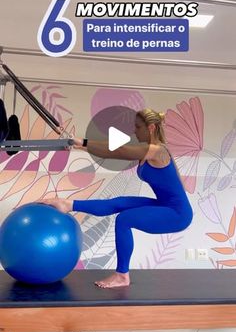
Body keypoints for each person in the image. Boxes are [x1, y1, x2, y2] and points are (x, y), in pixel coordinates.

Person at [39, 109, 193, 289]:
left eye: (138, 127)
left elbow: (119, 151)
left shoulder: (156, 151)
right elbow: (116, 147)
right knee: (120, 202)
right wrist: (81, 145)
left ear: (151, 128)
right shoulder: (152, 151)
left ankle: (122, 275)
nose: (135, 131)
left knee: (125, 219)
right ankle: (67, 204)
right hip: (165, 205)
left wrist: (82, 142)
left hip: (178, 214)